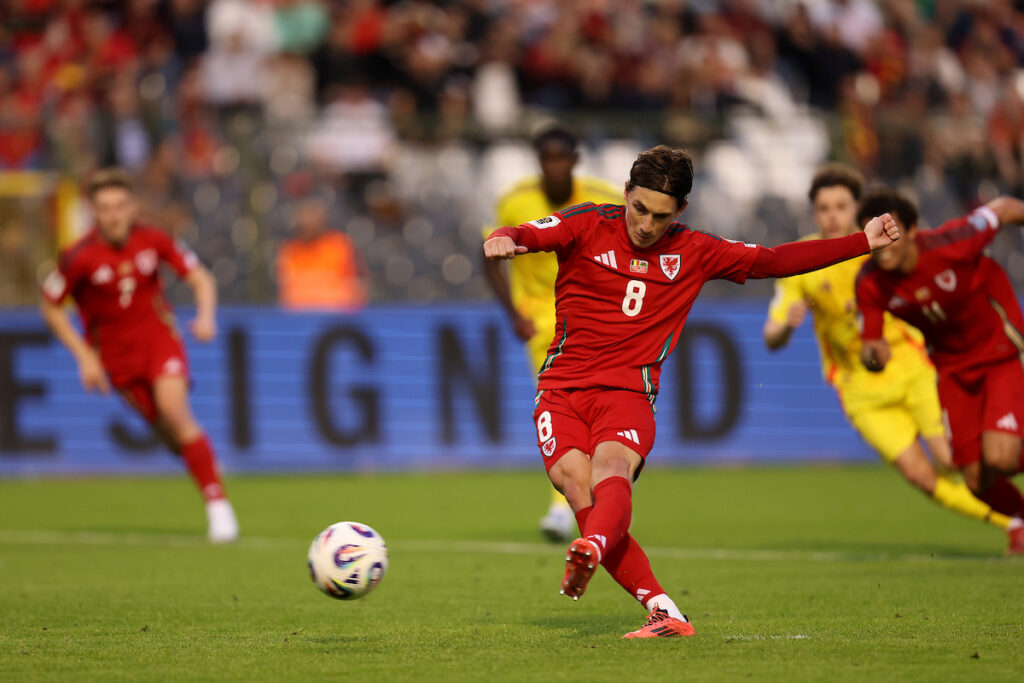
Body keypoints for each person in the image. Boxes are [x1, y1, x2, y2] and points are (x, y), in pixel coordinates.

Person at [483, 145, 901, 638]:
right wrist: (504, 239)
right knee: (575, 484)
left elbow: (774, 260)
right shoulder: (587, 223)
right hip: (560, 388)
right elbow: (528, 232)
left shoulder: (695, 250)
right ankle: (665, 611)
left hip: (627, 392)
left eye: (660, 216)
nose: (645, 225)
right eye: (638, 209)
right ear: (625, 195)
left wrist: (861, 242)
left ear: (680, 210)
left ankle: (592, 548)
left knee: (610, 470)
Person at [763, 165, 1021, 552]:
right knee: (938, 475)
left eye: (840, 206)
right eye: (823, 208)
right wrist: (790, 328)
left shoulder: (893, 246)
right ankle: (1015, 521)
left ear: (858, 210)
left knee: (965, 458)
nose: (832, 215)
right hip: (861, 388)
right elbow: (773, 333)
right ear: (814, 213)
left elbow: (997, 212)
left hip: (917, 367)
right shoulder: (810, 260)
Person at [39, 168, 239, 543]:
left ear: (132, 207)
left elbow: (201, 278)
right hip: (117, 361)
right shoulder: (77, 257)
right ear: (93, 212)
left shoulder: (155, 239)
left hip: (159, 342)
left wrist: (206, 316)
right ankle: (204, 465)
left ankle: (219, 509)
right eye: (105, 208)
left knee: (175, 410)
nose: (114, 215)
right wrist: (84, 356)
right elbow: (50, 306)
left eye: (120, 206)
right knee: (170, 435)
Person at [855, 188, 1024, 550]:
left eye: (890, 230)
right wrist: (872, 357)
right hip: (951, 370)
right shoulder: (868, 282)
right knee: (976, 478)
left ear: (912, 229)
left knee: (1001, 456)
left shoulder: (953, 241)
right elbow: (869, 348)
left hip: (1001, 353)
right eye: (873, 233)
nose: (881, 242)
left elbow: (1007, 208)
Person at [482, 124, 621, 542]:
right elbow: (488, 253)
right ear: (539, 163)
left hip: (589, 320)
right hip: (542, 324)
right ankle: (565, 505)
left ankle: (584, 497)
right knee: (557, 411)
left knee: (593, 409)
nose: (555, 166)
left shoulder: (604, 199)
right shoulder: (515, 201)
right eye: (548, 159)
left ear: (575, 161)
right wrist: (512, 315)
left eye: (563, 158)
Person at [277, 198, 367, 310]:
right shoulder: (290, 250)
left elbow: (356, 289)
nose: (306, 223)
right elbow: (288, 295)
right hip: (299, 319)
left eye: (311, 217)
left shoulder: (339, 245)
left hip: (335, 318)